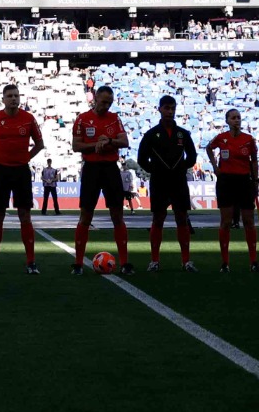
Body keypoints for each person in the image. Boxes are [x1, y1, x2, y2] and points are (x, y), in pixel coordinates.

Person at [0, 83, 45, 275]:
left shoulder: (29, 119)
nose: (14, 99)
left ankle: (31, 262)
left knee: (25, 215)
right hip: (1, 171)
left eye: (16, 95)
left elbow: (40, 144)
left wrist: (26, 158)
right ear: (3, 99)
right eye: (10, 96)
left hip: (21, 171)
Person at [71, 85, 133, 276]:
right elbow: (76, 146)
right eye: (104, 101)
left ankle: (125, 262)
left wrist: (109, 142)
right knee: (86, 216)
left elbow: (125, 142)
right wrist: (95, 144)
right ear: (95, 97)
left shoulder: (114, 119)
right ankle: (78, 263)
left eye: (109, 102)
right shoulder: (82, 119)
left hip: (110, 168)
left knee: (117, 215)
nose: (106, 105)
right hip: (91, 169)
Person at [137, 95, 198, 272]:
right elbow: (142, 158)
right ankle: (154, 261)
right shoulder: (151, 134)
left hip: (178, 181)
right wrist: (155, 170)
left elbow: (192, 157)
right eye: (166, 108)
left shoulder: (183, 134)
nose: (170, 111)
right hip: (159, 182)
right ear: (160, 109)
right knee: (158, 219)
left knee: (182, 218)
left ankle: (186, 261)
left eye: (172, 108)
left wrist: (180, 168)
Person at [206, 109, 259, 272]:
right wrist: (215, 167)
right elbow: (208, 148)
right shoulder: (221, 138)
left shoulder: (249, 139)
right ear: (227, 121)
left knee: (249, 221)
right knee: (226, 222)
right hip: (226, 181)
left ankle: (253, 261)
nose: (237, 120)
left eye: (238, 118)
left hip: (244, 181)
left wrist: (256, 181)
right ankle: (225, 262)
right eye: (233, 118)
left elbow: (254, 161)